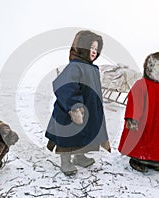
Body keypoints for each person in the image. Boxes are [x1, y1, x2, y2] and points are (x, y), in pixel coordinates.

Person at [45, 30, 111, 176]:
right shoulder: (74, 66)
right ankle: (66, 161)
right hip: (70, 110)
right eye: (91, 47)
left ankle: (79, 156)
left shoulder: (93, 68)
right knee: (69, 135)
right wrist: (75, 106)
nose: (94, 51)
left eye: (96, 48)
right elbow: (65, 85)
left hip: (88, 109)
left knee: (83, 135)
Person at [118, 52, 159, 173]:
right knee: (142, 142)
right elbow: (134, 101)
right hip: (145, 123)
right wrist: (132, 118)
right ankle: (137, 159)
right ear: (153, 68)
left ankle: (156, 161)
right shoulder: (141, 85)